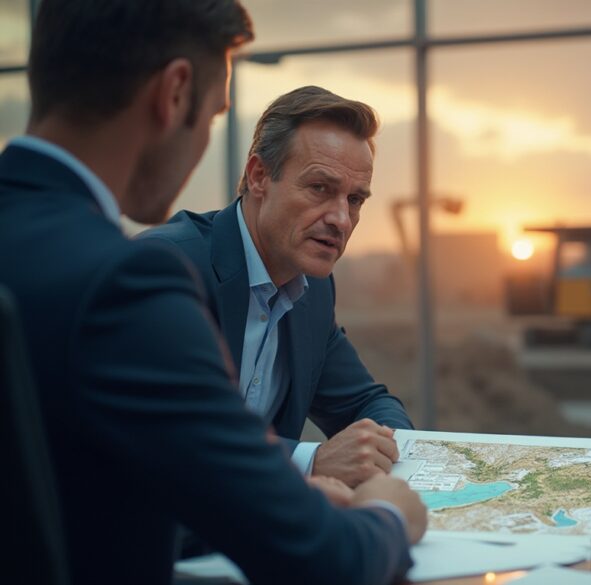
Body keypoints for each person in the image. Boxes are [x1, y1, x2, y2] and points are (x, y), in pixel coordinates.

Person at [0, 1, 425, 583]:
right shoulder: (135, 282)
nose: (342, 219)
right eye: (214, 113)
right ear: (175, 93)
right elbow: (323, 559)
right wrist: (390, 515)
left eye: (355, 201)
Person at [140, 86, 412, 488]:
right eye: (320, 188)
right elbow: (168, 438)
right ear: (259, 176)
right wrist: (311, 460)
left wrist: (383, 446)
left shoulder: (312, 290)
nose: (341, 218)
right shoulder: (167, 268)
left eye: (355, 199)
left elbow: (367, 403)